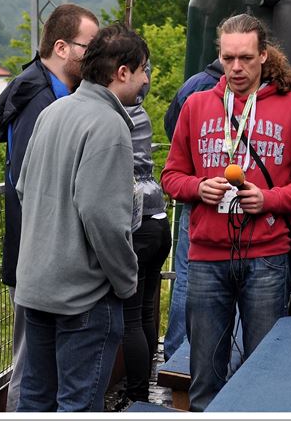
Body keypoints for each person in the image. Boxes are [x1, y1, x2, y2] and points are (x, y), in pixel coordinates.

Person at [161, 13, 291, 411]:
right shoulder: (197, 106)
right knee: (204, 376)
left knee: (263, 370)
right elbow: (170, 176)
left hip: (266, 255)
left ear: (263, 56)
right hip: (206, 258)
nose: (236, 67)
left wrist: (270, 199)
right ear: (219, 54)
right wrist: (199, 188)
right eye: (228, 57)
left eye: (246, 58)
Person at [13, 24, 150, 412]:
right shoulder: (109, 126)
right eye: (142, 69)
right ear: (122, 72)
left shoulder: (53, 111)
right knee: (78, 406)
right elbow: (103, 217)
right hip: (83, 298)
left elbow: (23, 188)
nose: (144, 79)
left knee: (35, 400)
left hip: (36, 286)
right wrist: (126, 280)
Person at [0, 3, 99, 411]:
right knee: (31, 368)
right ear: (62, 47)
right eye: (90, 46)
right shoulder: (37, 98)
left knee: (40, 365)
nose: (96, 56)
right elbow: (33, 181)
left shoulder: (46, 90)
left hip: (39, 252)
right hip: (36, 254)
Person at [162, 58, 224, 361]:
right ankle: (182, 355)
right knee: (192, 278)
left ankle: (176, 354)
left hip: (195, 189)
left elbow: (170, 126)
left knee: (186, 278)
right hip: (209, 193)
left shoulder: (193, 83)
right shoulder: (208, 90)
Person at [120, 63, 172, 405]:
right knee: (147, 312)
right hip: (159, 218)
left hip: (137, 223)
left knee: (130, 316)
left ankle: (136, 393)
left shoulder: (119, 115)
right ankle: (142, 386)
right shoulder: (140, 113)